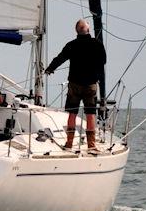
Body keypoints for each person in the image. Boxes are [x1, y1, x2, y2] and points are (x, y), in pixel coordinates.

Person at [45, 19, 106, 154]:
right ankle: (91, 145)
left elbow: (60, 58)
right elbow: (103, 61)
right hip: (90, 84)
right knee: (90, 114)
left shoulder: (72, 45)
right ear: (88, 30)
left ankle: (69, 143)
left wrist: (50, 69)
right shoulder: (97, 44)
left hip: (74, 84)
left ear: (77, 31)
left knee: (72, 113)